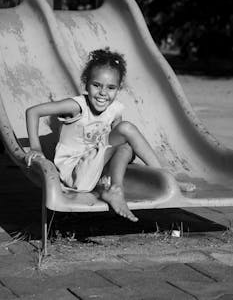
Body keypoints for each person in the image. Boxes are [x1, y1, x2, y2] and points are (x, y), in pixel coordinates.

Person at [25, 47, 193, 223]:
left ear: (119, 88)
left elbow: (118, 147)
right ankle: (155, 178)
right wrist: (35, 147)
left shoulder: (115, 110)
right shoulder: (76, 106)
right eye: (96, 85)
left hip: (95, 167)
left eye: (111, 87)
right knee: (126, 130)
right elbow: (32, 112)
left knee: (126, 145)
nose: (103, 93)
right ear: (86, 83)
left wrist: (125, 152)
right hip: (75, 171)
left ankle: (117, 189)